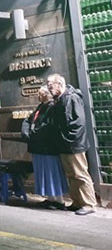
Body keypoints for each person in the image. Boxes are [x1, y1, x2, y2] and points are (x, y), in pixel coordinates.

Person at [47, 74, 97, 215]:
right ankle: (77, 202)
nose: (49, 89)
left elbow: (78, 123)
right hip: (66, 144)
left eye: (51, 85)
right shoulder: (60, 99)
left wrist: (66, 138)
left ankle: (89, 204)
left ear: (59, 84)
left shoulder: (71, 98)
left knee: (80, 174)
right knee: (71, 174)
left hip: (74, 144)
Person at [21, 86, 68, 210]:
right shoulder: (40, 106)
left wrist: (33, 134)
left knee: (52, 172)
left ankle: (59, 200)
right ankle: (50, 198)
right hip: (38, 146)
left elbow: (49, 126)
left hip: (48, 147)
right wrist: (26, 132)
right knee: (44, 172)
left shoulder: (52, 107)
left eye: (40, 93)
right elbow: (28, 120)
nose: (38, 95)